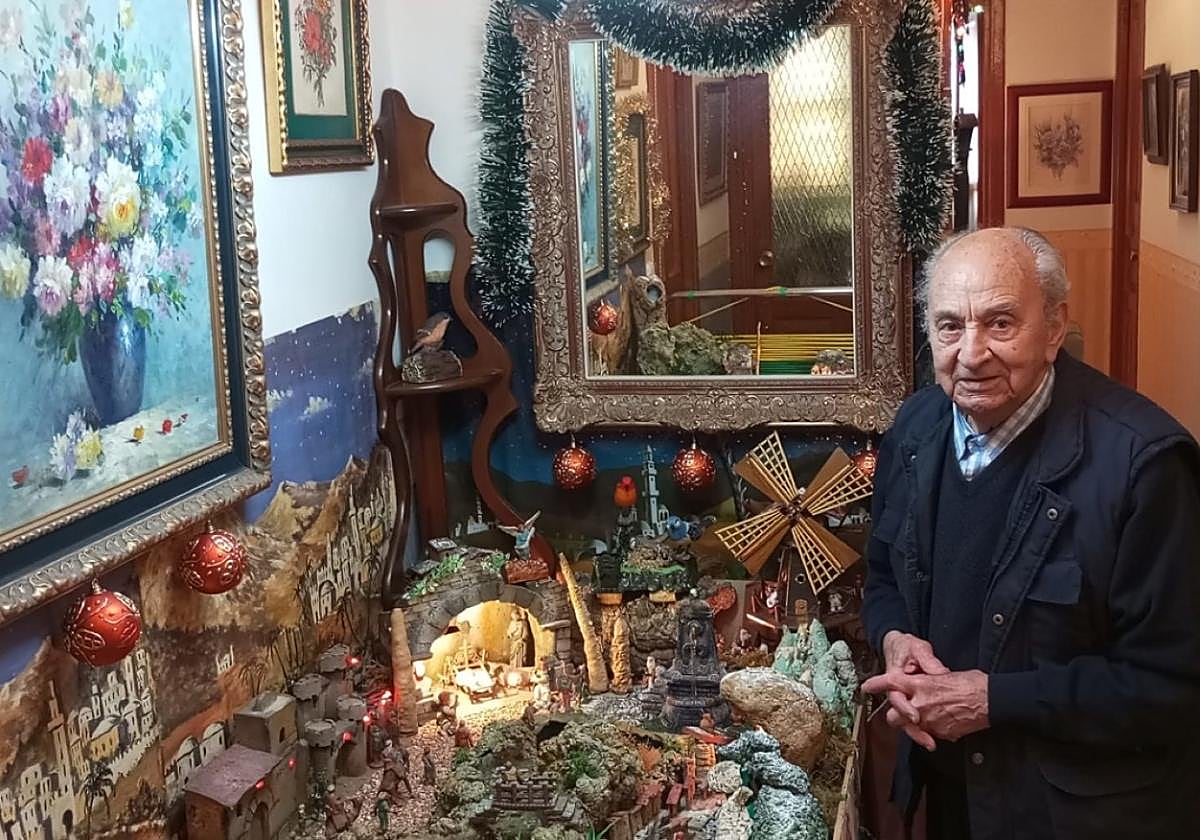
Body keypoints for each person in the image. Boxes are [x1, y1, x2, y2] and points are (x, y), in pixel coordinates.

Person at [861, 227, 1200, 839]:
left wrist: (994, 701)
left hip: (1077, 816)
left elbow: (1171, 686)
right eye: (949, 326)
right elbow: (884, 574)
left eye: (1000, 323)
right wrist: (893, 637)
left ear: (1054, 328)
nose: (971, 354)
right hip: (952, 793)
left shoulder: (1144, 466)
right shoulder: (915, 427)